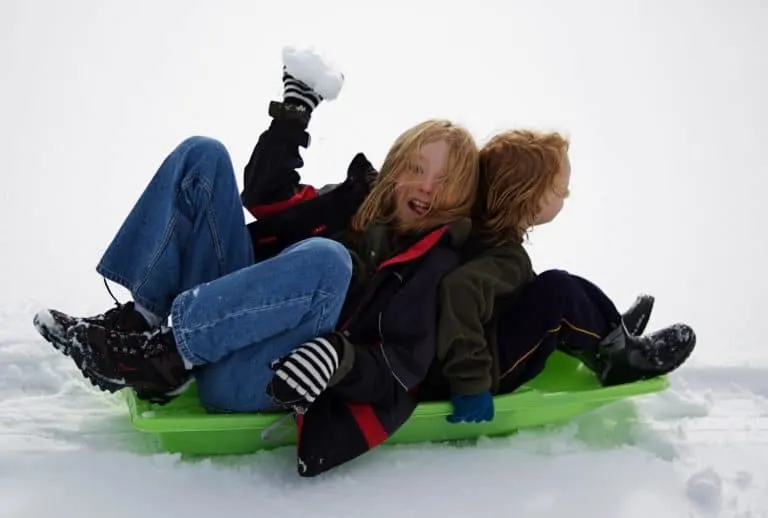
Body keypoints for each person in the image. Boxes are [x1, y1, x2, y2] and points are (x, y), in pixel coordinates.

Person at [33, 46, 481, 477]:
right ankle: (145, 324)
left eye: (443, 181)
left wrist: (338, 359)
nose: (425, 187)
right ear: (396, 167)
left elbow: (399, 369)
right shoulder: (353, 207)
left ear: (459, 195)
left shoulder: (436, 265)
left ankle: (168, 356)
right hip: (223, 327)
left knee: (329, 261)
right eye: (417, 169)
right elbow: (268, 196)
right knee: (202, 154)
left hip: (260, 375)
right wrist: (294, 114)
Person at [426, 129, 696, 423]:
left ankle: (609, 331)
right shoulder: (499, 255)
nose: (565, 197)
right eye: (560, 192)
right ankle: (621, 359)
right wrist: (470, 384)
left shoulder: (483, 237)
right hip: (474, 374)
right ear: (527, 198)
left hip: (461, 360)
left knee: (546, 285)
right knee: (556, 289)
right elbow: (460, 291)